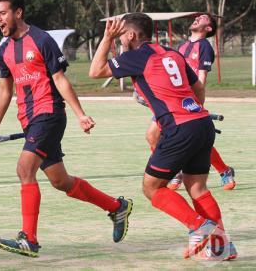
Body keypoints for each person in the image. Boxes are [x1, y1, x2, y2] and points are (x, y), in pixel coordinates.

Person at [0, 0, 133, 258]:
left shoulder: (42, 40)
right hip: (29, 120)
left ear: (18, 12)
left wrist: (80, 114)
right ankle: (116, 206)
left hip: (49, 113)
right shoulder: (4, 50)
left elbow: (60, 80)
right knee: (60, 181)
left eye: (3, 13)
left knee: (24, 169)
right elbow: (5, 90)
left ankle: (29, 239)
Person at [89, 13, 236, 260]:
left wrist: (106, 38)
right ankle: (222, 247)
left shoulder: (135, 56)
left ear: (131, 35)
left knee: (151, 188)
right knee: (197, 187)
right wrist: (189, 110)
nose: (120, 38)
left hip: (180, 129)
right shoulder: (172, 52)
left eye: (122, 33)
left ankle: (198, 225)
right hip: (201, 122)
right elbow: (198, 88)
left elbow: (95, 71)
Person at [145, 14, 236, 191]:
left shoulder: (204, 47)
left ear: (208, 28)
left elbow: (201, 79)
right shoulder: (182, 46)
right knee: (153, 136)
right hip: (172, 99)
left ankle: (224, 171)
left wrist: (198, 104)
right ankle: (176, 171)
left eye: (202, 18)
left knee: (194, 138)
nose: (196, 19)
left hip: (188, 101)